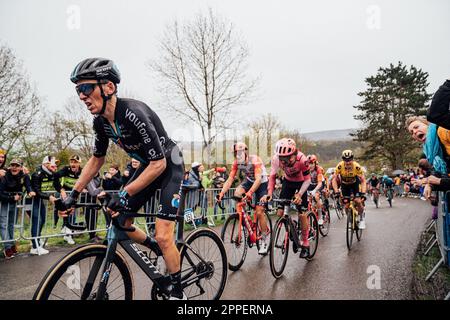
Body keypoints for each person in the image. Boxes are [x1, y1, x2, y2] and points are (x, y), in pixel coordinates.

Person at [59, 58, 186, 299]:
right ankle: (156, 248)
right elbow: (96, 159)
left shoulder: (132, 113)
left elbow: (159, 163)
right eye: (78, 91)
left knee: (163, 233)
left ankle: (178, 293)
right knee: (121, 221)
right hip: (149, 166)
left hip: (170, 164)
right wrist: (74, 193)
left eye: (86, 88)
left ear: (109, 87)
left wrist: (124, 193)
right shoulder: (101, 123)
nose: (82, 96)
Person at [261, 138, 312, 258]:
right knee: (280, 213)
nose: (284, 162)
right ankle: (292, 225)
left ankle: (305, 243)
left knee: (302, 214)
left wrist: (299, 194)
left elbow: (308, 180)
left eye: (288, 158)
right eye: (282, 158)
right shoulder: (276, 159)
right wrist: (269, 193)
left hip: (301, 184)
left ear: (295, 154)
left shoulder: (302, 160)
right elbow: (272, 177)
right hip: (288, 183)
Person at [217, 142, 270, 254]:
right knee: (237, 192)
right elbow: (230, 179)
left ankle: (264, 240)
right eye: (236, 153)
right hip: (249, 181)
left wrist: (250, 193)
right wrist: (222, 193)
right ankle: (244, 219)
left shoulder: (255, 160)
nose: (238, 155)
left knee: (260, 212)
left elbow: (258, 180)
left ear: (245, 152)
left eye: (240, 153)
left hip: (262, 182)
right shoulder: (236, 163)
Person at [0, 159, 34, 259]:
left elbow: (28, 185)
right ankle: (7, 248)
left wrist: (30, 191)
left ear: (21, 167)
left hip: (15, 203)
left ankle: (12, 245)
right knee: (3, 225)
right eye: (12, 165)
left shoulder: (24, 175)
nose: (14, 167)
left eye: (17, 165)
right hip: (4, 202)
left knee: (10, 224)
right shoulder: (4, 175)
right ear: (9, 166)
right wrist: (12, 197)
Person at [332, 150, 367, 229]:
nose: (347, 162)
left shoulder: (357, 166)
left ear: (352, 159)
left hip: (355, 185)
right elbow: (334, 179)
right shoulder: (340, 166)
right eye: (345, 160)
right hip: (345, 185)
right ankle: (351, 220)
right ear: (343, 159)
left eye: (349, 160)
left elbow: (363, 180)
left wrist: (363, 193)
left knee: (358, 201)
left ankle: (362, 219)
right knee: (346, 205)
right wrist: (336, 191)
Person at [30, 156, 58, 255]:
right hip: (31, 200)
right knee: (37, 220)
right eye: (53, 165)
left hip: (39, 200)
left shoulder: (51, 174)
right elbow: (37, 191)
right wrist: (49, 197)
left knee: (42, 220)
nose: (55, 167)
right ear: (46, 164)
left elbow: (57, 185)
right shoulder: (37, 175)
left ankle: (36, 239)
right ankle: (35, 246)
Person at [53, 154, 83, 244]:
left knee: (73, 214)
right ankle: (66, 232)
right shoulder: (66, 169)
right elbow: (55, 176)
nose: (73, 164)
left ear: (79, 163)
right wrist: (61, 190)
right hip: (65, 194)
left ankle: (68, 234)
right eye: (71, 162)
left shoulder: (82, 171)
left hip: (74, 194)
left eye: (75, 162)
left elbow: (87, 181)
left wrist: (83, 188)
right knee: (67, 212)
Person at [306, 155, 326, 225]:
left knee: (316, 196)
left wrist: (315, 191)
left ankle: (320, 217)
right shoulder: (306, 170)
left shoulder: (318, 169)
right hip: (311, 184)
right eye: (308, 164)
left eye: (312, 164)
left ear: (315, 163)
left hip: (319, 183)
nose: (310, 166)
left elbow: (320, 183)